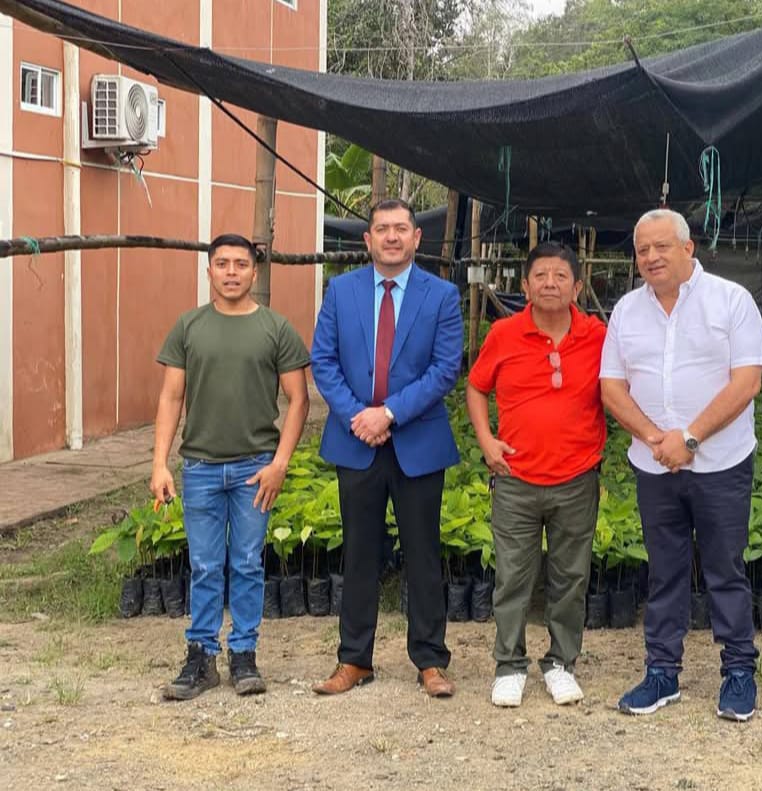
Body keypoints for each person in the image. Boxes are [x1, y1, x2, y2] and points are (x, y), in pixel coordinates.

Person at [600, 208, 762, 721]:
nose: (651, 257)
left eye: (662, 247)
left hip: (721, 463)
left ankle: (738, 671)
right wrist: (657, 438)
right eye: (642, 250)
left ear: (687, 247)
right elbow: (612, 387)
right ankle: (662, 672)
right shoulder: (627, 310)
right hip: (655, 464)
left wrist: (691, 437)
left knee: (725, 568)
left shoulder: (730, 300)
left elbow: (748, 381)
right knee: (665, 570)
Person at [310, 199, 463, 699]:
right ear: (367, 239)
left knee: (423, 554)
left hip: (417, 442)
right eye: (382, 229)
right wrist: (360, 416)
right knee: (359, 553)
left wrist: (390, 413)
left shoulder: (442, 295)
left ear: (417, 238)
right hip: (356, 439)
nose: (391, 237)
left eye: (401, 228)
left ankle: (430, 661)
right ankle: (354, 659)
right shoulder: (342, 290)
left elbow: (444, 369)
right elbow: (323, 360)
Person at [151, 233, 311, 701]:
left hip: (254, 470)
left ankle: (244, 654)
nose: (232, 272)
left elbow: (299, 399)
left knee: (246, 563)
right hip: (200, 467)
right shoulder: (189, 326)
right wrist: (159, 463)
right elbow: (171, 397)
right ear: (209, 271)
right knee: (204, 565)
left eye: (241, 264)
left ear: (254, 272)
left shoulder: (276, 329)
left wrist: (280, 463)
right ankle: (201, 658)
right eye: (222, 264)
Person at [466, 242, 607, 708]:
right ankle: (509, 665)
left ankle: (561, 662)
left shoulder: (598, 336)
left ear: (577, 286)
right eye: (541, 275)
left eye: (561, 276)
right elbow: (476, 387)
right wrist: (486, 441)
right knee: (512, 577)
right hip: (515, 479)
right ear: (525, 286)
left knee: (571, 577)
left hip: (577, 478)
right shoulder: (504, 333)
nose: (550, 283)